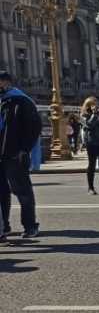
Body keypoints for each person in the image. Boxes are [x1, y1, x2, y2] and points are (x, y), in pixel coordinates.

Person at [0, 71, 42, 240]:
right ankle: (4, 226)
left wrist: (24, 149)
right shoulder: (3, 101)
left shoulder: (21, 101)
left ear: (6, 83)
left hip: (14, 154)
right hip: (1, 154)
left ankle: (30, 226)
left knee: (22, 191)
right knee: (1, 193)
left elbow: (34, 127)